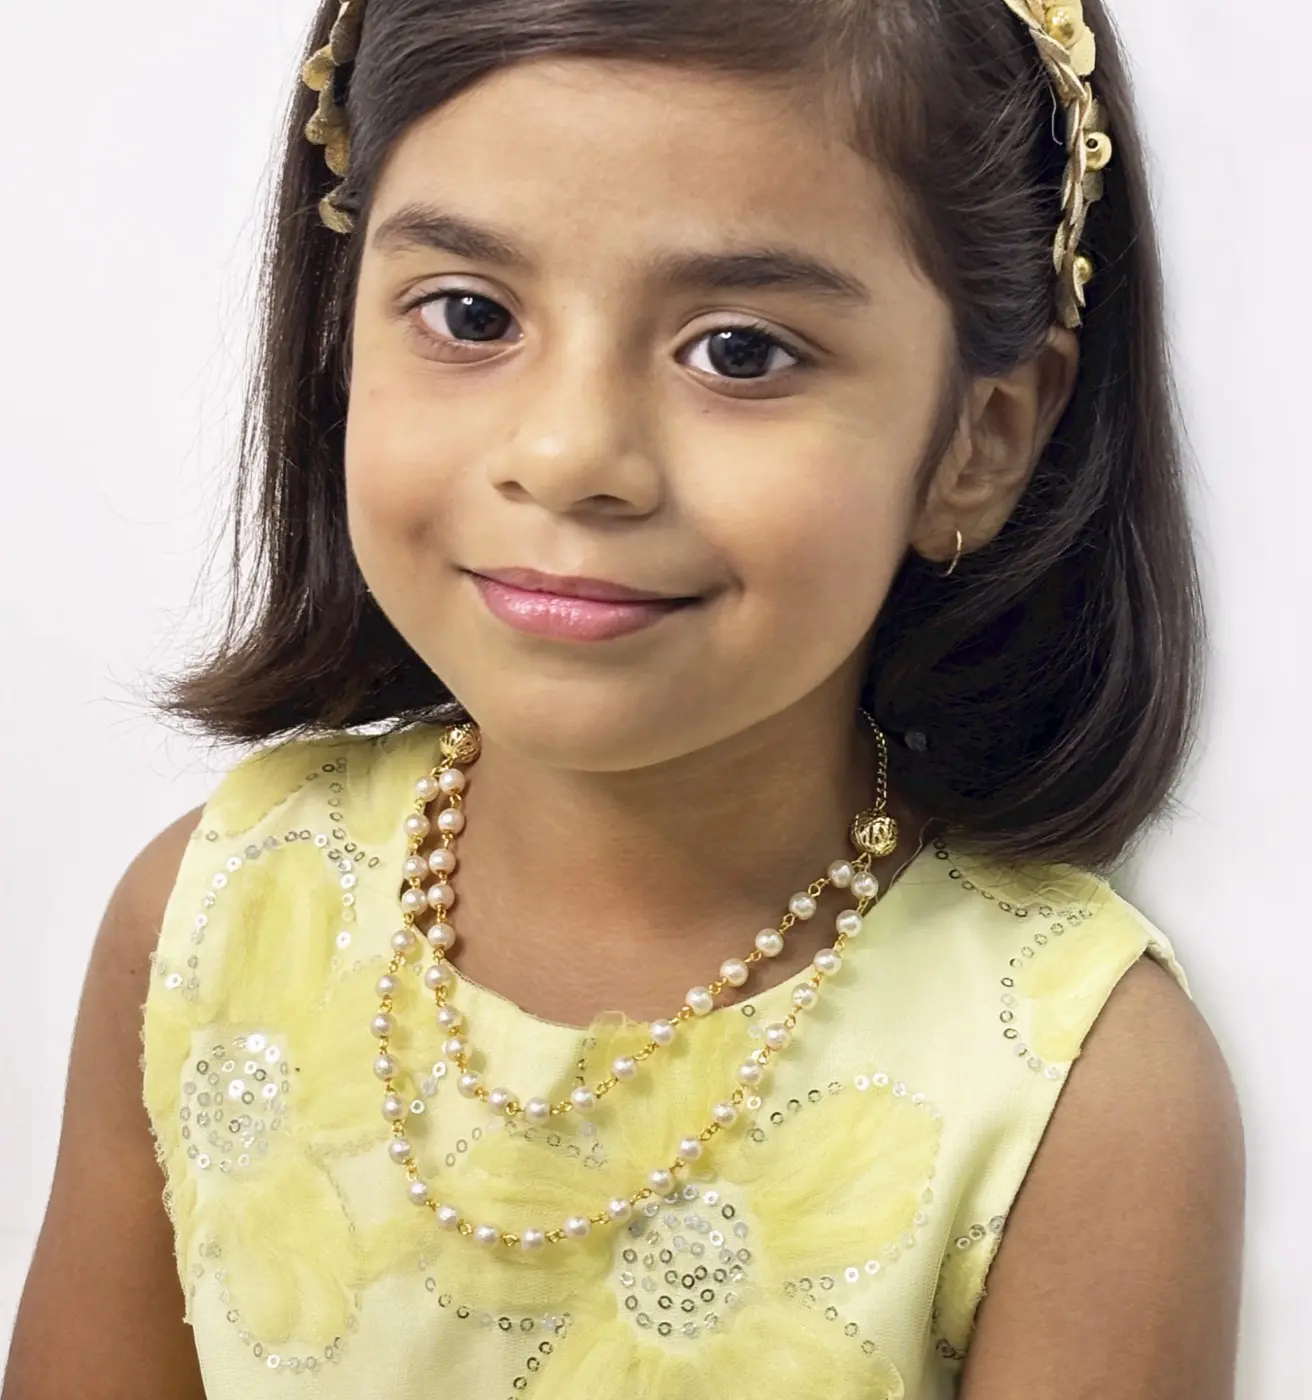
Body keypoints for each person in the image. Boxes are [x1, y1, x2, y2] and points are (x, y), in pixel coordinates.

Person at [4, 0, 1245, 1395]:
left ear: (981, 439)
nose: (570, 453)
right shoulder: (210, 916)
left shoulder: (1078, 1082)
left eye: (740, 351)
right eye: (471, 315)